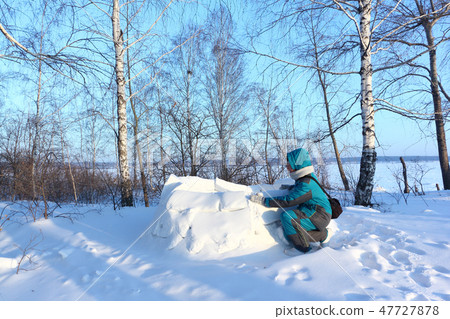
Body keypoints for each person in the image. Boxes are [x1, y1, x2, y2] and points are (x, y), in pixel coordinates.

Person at [250, 148, 332, 252]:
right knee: (293, 232)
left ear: (297, 165)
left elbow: (288, 201)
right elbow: (301, 190)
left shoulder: (305, 183)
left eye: (289, 163)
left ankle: (304, 250)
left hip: (319, 215)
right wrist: (291, 188)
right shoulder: (305, 178)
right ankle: (324, 235)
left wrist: (263, 201)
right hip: (315, 212)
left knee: (288, 218)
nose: (286, 166)